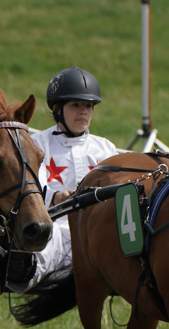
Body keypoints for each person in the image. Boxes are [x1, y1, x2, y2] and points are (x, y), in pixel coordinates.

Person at [12, 67, 118, 291]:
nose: (84, 112)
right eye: (76, 105)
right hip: (55, 226)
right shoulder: (37, 143)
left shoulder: (105, 148)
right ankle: (25, 277)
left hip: (96, 229)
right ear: (58, 109)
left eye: (88, 106)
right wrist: (55, 196)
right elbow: (30, 185)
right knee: (47, 242)